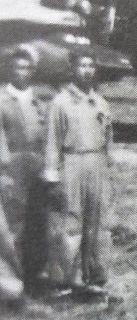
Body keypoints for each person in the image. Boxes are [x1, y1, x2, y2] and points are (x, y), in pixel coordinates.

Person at [43, 52, 114, 299]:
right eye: (81, 65)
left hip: (96, 163)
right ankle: (62, 283)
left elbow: (108, 140)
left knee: (98, 223)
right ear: (72, 69)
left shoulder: (101, 103)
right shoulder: (60, 102)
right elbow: (52, 141)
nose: (86, 70)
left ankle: (96, 279)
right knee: (69, 224)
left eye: (90, 65)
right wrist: (52, 175)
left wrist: (107, 170)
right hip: (71, 161)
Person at [0, 49, 48, 292]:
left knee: (38, 222)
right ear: (9, 70)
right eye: (17, 67)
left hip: (37, 165)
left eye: (27, 68)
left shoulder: (38, 100)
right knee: (15, 222)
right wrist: (4, 172)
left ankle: (36, 276)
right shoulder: (2, 99)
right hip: (13, 164)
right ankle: (14, 282)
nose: (22, 72)